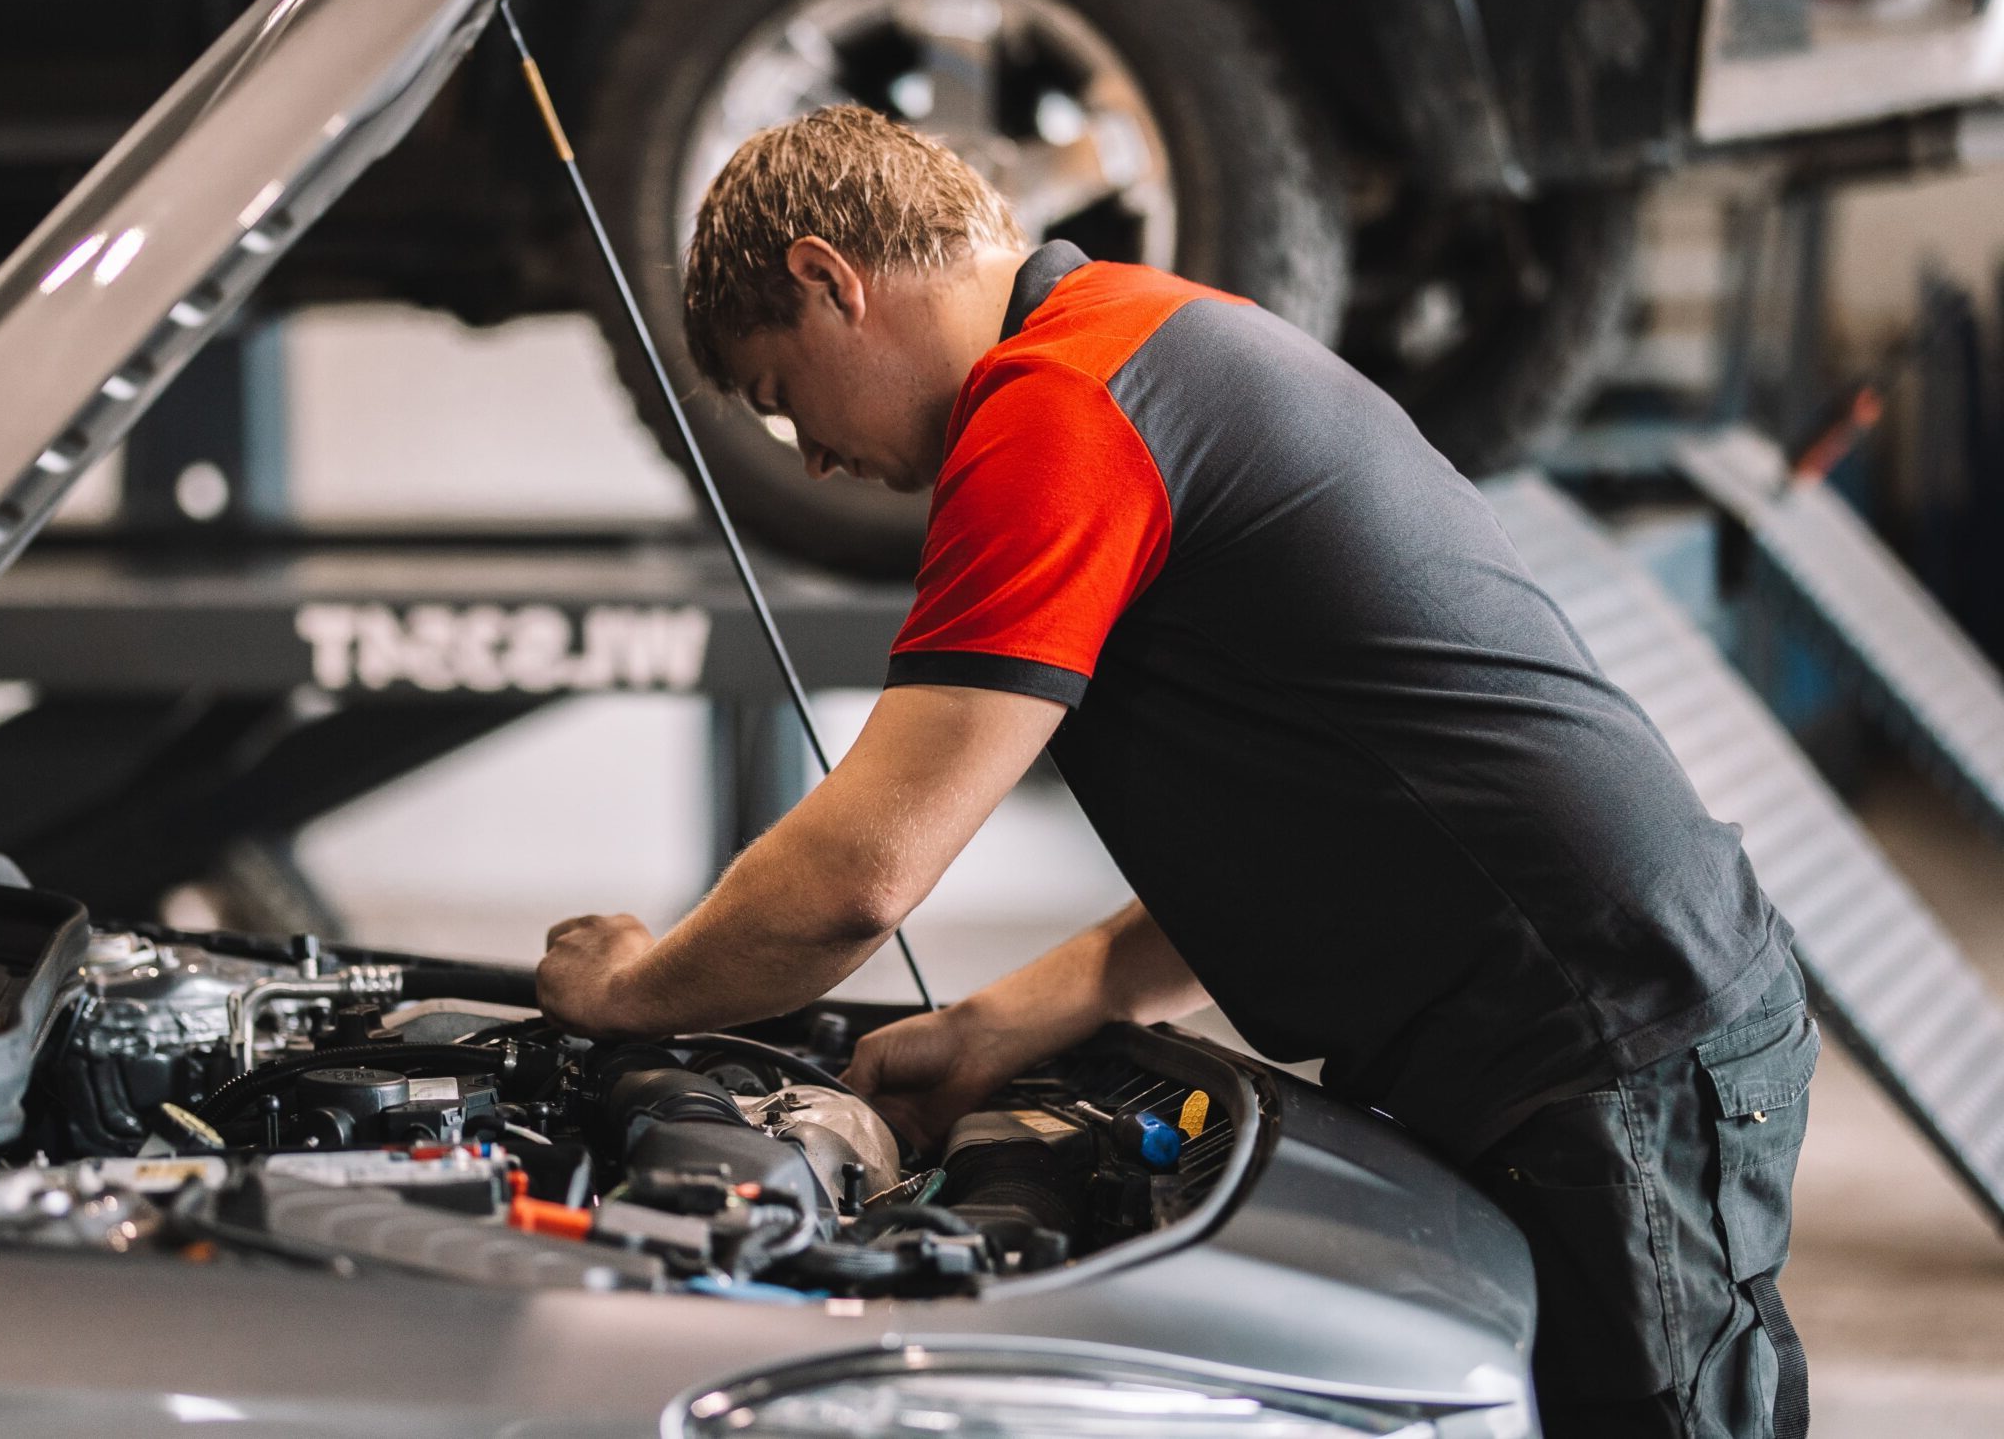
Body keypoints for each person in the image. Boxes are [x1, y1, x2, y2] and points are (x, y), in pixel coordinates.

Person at [536, 105, 1815, 1438]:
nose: (809, 456)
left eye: (781, 395)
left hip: (1606, 1041)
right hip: (1597, 1024)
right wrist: (997, 1024)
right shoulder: (1136, 338)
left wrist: (631, 991)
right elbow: (1313, 834)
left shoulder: (1057, 407)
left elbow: (857, 882)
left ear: (827, 281)